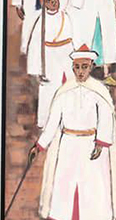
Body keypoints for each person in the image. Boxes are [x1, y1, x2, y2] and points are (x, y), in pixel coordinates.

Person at [30, 45, 116, 220]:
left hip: (91, 148)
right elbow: (53, 122)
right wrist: (40, 145)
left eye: (84, 67)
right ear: (73, 67)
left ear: (91, 67)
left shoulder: (99, 91)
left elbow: (107, 119)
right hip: (68, 146)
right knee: (64, 191)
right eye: (77, 67)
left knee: (94, 190)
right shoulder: (64, 92)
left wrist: (101, 143)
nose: (80, 71)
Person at [22, 0, 76, 128]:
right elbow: (35, 45)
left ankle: (70, 119)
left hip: (67, 54)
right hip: (50, 57)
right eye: (49, 1)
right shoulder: (41, 21)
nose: (53, 3)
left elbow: (75, 39)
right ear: (44, 3)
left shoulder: (66, 17)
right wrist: (37, 69)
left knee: (70, 86)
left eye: (55, 0)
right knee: (49, 89)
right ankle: (45, 122)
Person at [70, 0, 116, 85]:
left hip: (104, 7)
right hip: (85, 9)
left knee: (105, 39)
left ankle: (106, 73)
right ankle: (83, 76)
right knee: (85, 41)